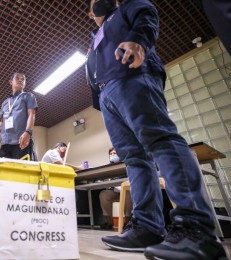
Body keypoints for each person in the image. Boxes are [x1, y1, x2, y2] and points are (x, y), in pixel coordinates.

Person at [85, 0, 226, 259]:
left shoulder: (126, 8)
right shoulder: (95, 36)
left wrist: (139, 40)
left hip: (133, 76)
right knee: (135, 159)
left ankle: (197, 229)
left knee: (161, 139)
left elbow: (147, 15)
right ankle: (147, 227)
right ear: (89, 12)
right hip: (107, 95)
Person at [0, 73, 38, 160]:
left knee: (20, 171)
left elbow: (32, 114)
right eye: (17, 78)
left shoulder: (28, 96)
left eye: (23, 79)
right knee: (4, 171)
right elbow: (3, 121)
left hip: (21, 141)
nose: (20, 80)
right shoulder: (5, 102)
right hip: (5, 143)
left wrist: (28, 132)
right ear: (10, 82)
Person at [98, 147, 132, 230]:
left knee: (127, 191)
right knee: (103, 194)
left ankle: (127, 221)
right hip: (116, 192)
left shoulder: (126, 163)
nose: (112, 155)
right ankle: (108, 222)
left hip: (128, 191)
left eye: (115, 153)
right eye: (111, 154)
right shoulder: (109, 167)